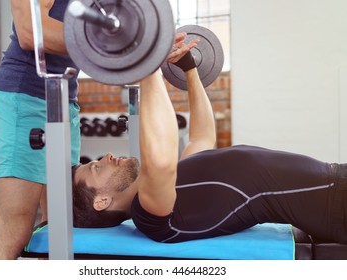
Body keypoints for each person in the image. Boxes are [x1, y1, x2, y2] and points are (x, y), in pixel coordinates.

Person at [72, 40, 347, 244]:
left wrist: (189, 69)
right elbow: (160, 160)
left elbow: (202, 136)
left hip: (337, 182)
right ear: (102, 201)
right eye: (96, 167)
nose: (105, 157)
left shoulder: (173, 187)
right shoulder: (149, 215)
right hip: (336, 204)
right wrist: (149, 67)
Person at [0, 0, 81, 259]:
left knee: (60, 224)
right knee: (13, 229)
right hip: (25, 93)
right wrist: (110, 44)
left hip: (63, 96)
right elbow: (31, 30)